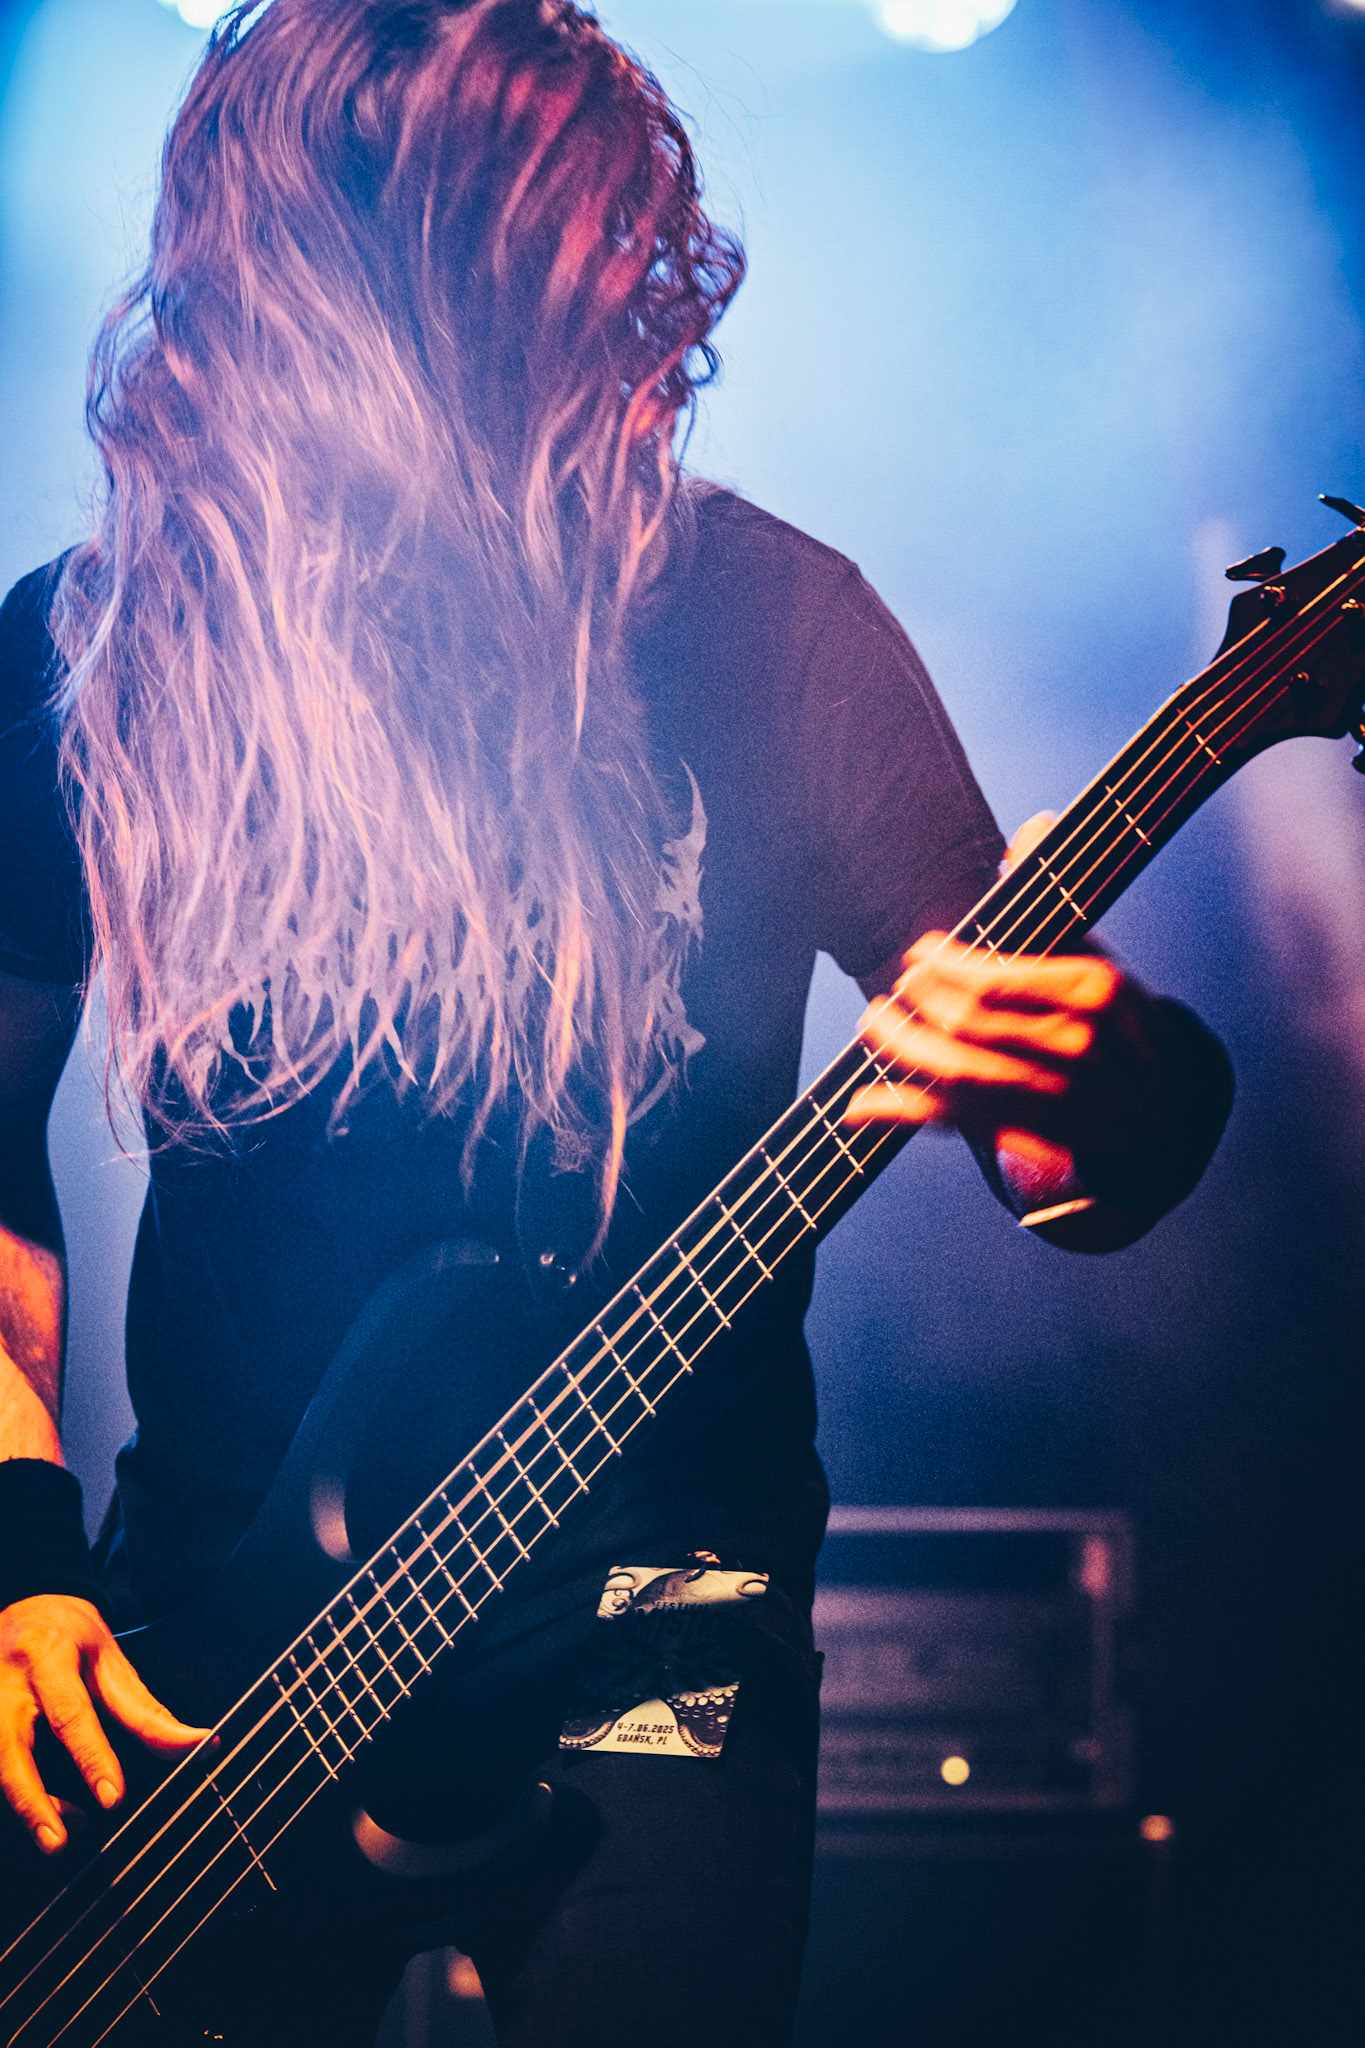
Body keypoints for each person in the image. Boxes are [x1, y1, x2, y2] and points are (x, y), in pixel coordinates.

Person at [0, 2, 1233, 2042]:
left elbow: (1068, 1150)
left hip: (663, 1597)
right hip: (215, 1587)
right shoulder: (83, 653)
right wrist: (18, 1556)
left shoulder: (765, 624)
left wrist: (1081, 1073)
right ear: (342, 297)